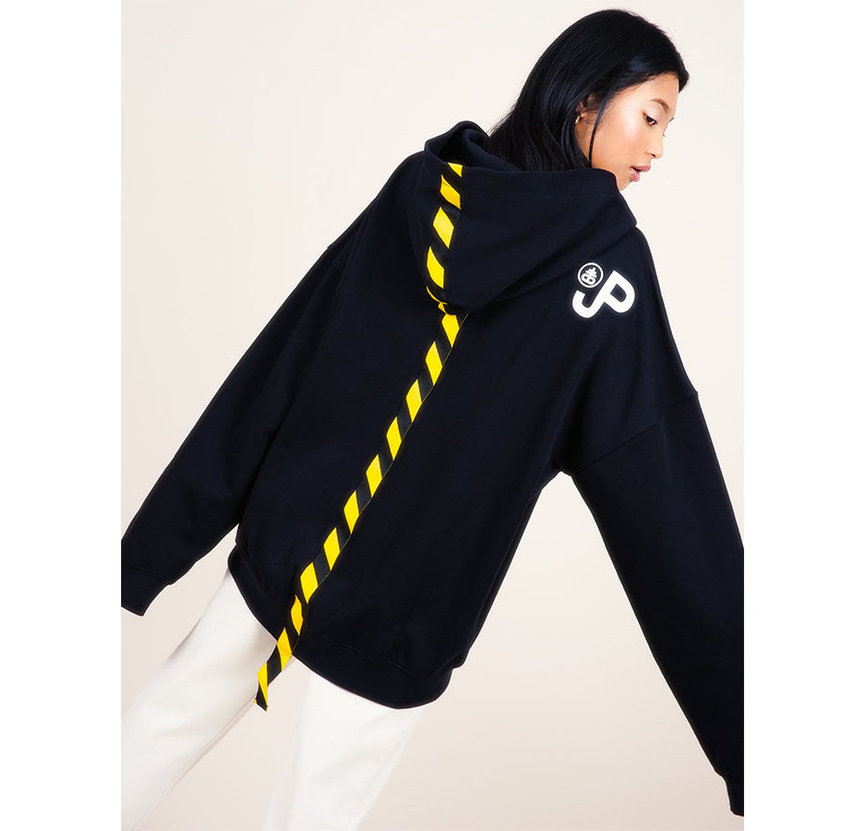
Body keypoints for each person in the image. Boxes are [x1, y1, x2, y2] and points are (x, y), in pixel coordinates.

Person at [122, 8, 743, 829]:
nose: (658, 149)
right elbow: (670, 503)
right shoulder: (611, 278)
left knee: (155, 731)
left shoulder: (425, 190)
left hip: (291, 542)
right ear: (586, 99)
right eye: (652, 117)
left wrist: (148, 550)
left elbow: (281, 362)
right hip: (404, 613)